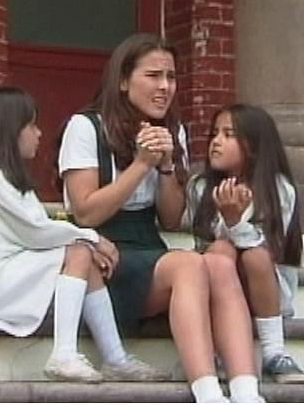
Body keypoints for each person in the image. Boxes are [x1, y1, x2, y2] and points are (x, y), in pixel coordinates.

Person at [58, 33, 265, 403]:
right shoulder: (86, 127)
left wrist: (167, 166)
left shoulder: (173, 130)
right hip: (101, 254)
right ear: (123, 80)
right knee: (189, 264)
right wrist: (141, 164)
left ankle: (246, 391)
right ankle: (207, 393)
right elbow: (86, 212)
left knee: (219, 264)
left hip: (148, 247)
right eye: (153, 76)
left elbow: (170, 219)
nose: (165, 87)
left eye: (171, 77)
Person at [0, 86, 165, 384]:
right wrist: (92, 238)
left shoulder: (4, 180)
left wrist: (85, 242)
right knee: (79, 253)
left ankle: (115, 357)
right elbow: (35, 232)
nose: (39, 133)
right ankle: (64, 354)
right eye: (32, 125)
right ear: (8, 131)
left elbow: (35, 230)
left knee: (84, 259)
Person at [184, 103, 304, 384]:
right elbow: (204, 247)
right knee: (220, 250)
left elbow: (268, 250)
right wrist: (228, 223)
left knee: (255, 256)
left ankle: (274, 353)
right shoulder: (200, 187)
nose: (216, 141)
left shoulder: (278, 190)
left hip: (266, 290)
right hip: (218, 285)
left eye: (228, 135)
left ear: (253, 147)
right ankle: (214, 351)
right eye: (214, 133)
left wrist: (235, 221)